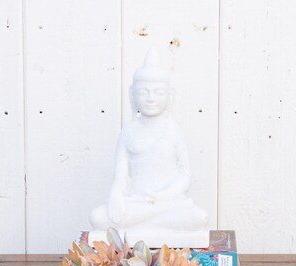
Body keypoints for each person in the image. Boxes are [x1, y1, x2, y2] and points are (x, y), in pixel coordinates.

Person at [89, 49, 208, 248]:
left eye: (158, 92)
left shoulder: (173, 130)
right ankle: (152, 227)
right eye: (144, 92)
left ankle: (144, 228)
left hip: (168, 203)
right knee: (98, 218)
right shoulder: (128, 132)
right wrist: (116, 196)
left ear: (170, 95)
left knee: (199, 218)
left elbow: (185, 175)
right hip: (135, 204)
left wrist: (166, 196)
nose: (151, 98)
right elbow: (120, 177)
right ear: (132, 94)